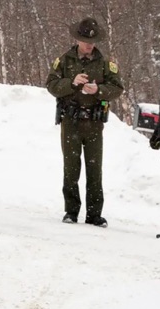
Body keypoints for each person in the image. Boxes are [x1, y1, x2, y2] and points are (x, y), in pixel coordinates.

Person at [46, 17, 124, 227]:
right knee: (71, 168)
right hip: (71, 121)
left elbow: (117, 88)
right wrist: (71, 83)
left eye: (92, 41)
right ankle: (71, 211)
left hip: (94, 122)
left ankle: (94, 214)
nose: (89, 44)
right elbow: (51, 85)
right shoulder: (64, 61)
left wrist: (99, 90)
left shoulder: (105, 64)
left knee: (94, 169)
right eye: (85, 40)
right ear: (77, 39)